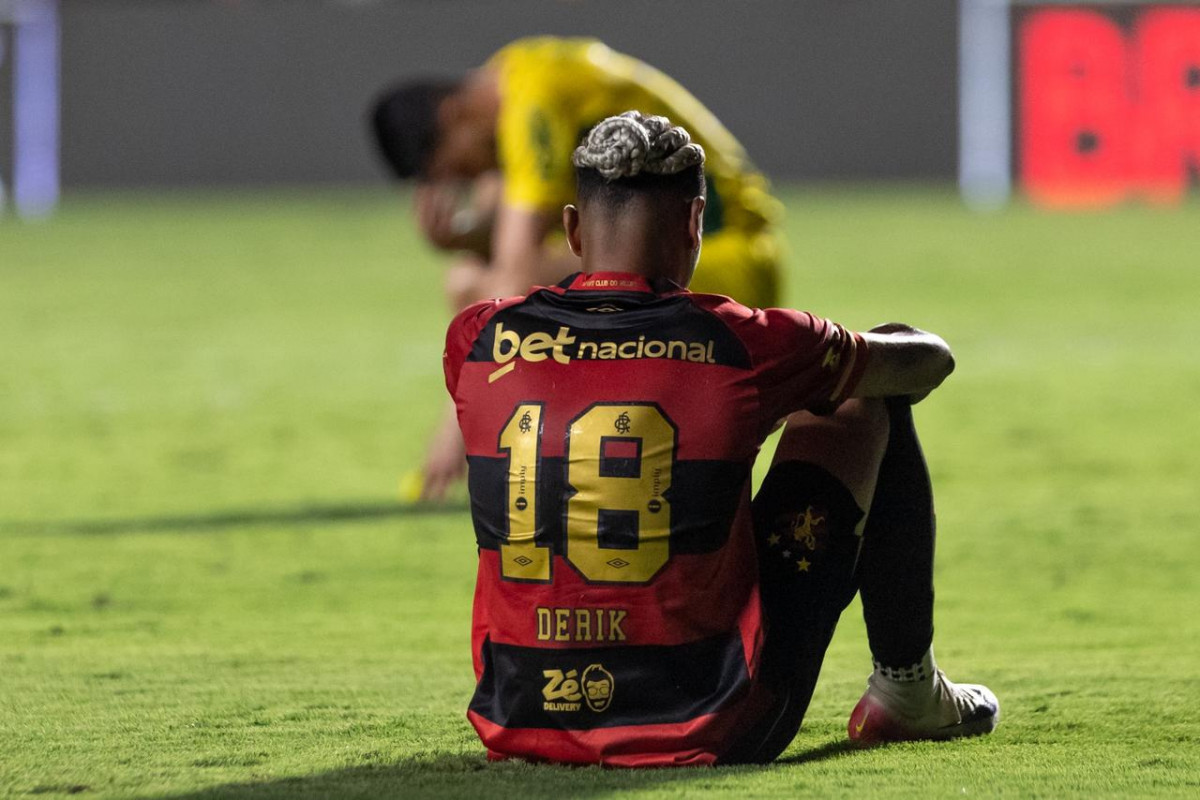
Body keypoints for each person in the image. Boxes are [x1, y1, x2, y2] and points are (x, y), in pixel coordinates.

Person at [440, 112, 999, 766]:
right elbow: (928, 363)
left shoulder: (475, 338)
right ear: (694, 222)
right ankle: (909, 692)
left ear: (571, 229)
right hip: (709, 724)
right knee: (864, 396)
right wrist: (836, 358)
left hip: (522, 719)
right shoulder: (743, 341)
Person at [374, 37, 785, 500]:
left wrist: (455, 431)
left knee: (514, 280)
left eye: (452, 170)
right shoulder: (511, 76)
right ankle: (560, 446)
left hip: (726, 252)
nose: (467, 180)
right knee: (468, 280)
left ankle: (514, 448)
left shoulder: (533, 104)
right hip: (674, 251)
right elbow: (499, 246)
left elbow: (517, 265)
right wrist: (460, 239)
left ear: (453, 117)